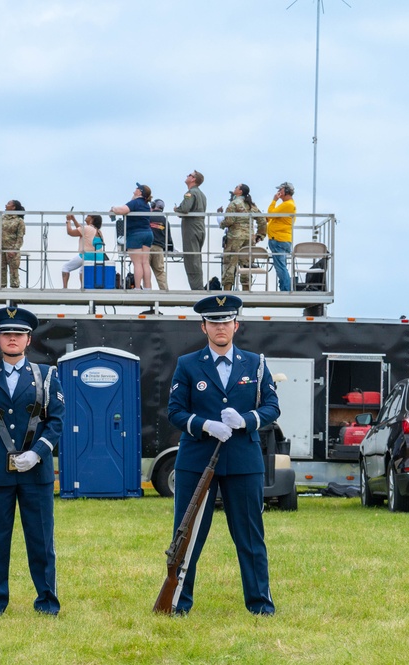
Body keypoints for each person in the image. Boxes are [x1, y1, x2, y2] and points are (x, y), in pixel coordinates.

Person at [166, 294, 280, 615]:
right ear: (204, 327)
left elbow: (272, 406)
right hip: (197, 461)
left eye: (226, 322)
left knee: (250, 538)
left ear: (236, 325)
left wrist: (247, 420)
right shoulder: (187, 364)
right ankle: (177, 603)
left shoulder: (255, 364)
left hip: (243, 461)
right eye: (213, 322)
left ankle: (260, 605)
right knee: (187, 536)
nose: (220, 327)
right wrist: (204, 425)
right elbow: (175, 412)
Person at [0, 306, 64, 617]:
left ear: (28, 339)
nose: (12, 338)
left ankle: (47, 600)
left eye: (18, 334)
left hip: (36, 472)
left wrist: (38, 452)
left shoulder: (46, 376)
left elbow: (56, 421)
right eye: (6, 333)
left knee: (41, 540)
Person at [218, 184, 266, 291]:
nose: (234, 188)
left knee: (230, 264)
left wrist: (222, 224)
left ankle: (227, 291)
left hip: (234, 237)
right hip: (249, 238)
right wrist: (260, 235)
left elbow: (229, 220)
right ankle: (246, 290)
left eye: (236, 187)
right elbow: (262, 221)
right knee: (247, 265)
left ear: (240, 191)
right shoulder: (251, 205)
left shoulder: (234, 203)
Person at [110, 184, 154, 289]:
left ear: (140, 192)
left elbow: (122, 210)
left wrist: (113, 208)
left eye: (137, 189)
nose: (134, 190)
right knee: (145, 262)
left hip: (135, 234)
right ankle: (148, 288)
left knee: (137, 263)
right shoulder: (146, 205)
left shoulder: (135, 203)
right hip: (148, 233)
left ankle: (137, 288)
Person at [174, 170, 208, 290]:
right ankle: (198, 286)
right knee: (196, 258)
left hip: (191, 227)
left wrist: (177, 209)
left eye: (189, 175)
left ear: (193, 179)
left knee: (191, 258)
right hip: (199, 226)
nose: (187, 176)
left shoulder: (190, 193)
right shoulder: (201, 194)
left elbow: (185, 208)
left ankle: (197, 288)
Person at [0, 200, 27, 288]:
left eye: (8, 204)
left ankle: (14, 292)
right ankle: (2, 288)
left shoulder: (19, 221)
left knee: (13, 271)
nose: (5, 205)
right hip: (0, 248)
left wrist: (14, 250)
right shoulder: (1, 217)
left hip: (12, 249)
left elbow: (20, 238)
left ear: (13, 207)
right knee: (1, 269)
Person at [61, 214, 105, 288]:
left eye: (88, 215)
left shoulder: (87, 229)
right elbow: (80, 229)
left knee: (66, 267)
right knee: (82, 270)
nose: (86, 216)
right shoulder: (98, 231)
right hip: (98, 257)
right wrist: (74, 220)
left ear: (92, 219)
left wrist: (68, 220)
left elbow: (70, 232)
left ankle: (65, 288)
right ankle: (83, 287)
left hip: (87, 255)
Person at [267, 182, 297, 292]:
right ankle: (284, 287)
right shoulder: (289, 204)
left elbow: (270, 214)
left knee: (280, 267)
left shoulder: (287, 204)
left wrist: (274, 200)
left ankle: (285, 289)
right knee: (282, 266)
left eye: (281, 190)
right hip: (282, 239)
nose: (279, 192)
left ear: (286, 192)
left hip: (279, 239)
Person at [148, 199, 174, 291]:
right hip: (159, 249)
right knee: (160, 272)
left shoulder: (147, 217)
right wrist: (171, 248)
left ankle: (146, 291)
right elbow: (169, 238)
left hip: (146, 247)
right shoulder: (164, 220)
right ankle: (165, 291)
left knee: (145, 270)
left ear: (153, 205)